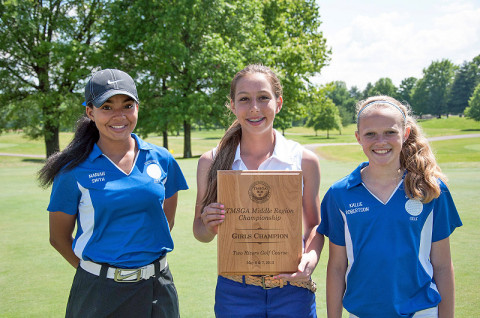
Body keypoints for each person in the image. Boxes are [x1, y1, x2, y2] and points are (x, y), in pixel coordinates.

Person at [38, 69, 188, 318]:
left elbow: (165, 222)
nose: (119, 116)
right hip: (98, 293)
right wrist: (97, 273)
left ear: (137, 107)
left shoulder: (162, 159)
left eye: (127, 105)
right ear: (90, 112)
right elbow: (58, 237)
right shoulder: (73, 170)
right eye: (107, 107)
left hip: (158, 290)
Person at [193, 64, 324, 317]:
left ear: (279, 102)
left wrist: (312, 257)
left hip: (293, 289)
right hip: (235, 291)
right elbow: (200, 232)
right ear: (232, 105)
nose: (254, 107)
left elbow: (314, 226)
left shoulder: (305, 160)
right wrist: (208, 224)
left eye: (263, 97)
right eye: (244, 99)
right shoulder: (211, 161)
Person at [318, 95, 463, 318]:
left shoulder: (431, 190)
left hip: (421, 311)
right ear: (358, 137)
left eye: (390, 132)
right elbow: (337, 268)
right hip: (361, 313)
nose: (380, 141)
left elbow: (443, 265)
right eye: (370, 134)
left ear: (405, 134)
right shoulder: (339, 194)